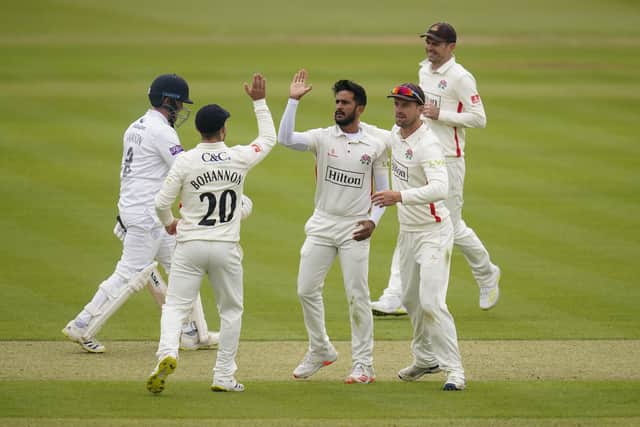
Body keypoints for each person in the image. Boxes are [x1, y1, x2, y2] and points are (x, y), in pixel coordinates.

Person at [62, 73, 226, 353]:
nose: (183, 110)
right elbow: (184, 167)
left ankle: (191, 332)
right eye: (180, 104)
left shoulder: (136, 126)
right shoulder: (162, 131)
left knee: (180, 266)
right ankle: (82, 324)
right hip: (147, 216)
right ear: (167, 101)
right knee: (129, 273)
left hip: (137, 209)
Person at [146, 73, 276, 394]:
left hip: (189, 245)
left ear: (198, 130)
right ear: (223, 129)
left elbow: (161, 202)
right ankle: (222, 376)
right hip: (225, 248)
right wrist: (259, 101)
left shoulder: (185, 161)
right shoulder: (239, 157)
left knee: (176, 306)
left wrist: (168, 223)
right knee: (230, 312)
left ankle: (167, 354)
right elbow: (269, 139)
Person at [371, 22, 500, 315]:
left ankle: (486, 272)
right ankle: (396, 296)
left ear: (451, 47)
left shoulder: (460, 77)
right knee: (408, 223)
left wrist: (441, 114)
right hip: (416, 154)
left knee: (450, 228)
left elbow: (479, 118)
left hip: (447, 160)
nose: (430, 48)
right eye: (428, 42)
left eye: (436, 43)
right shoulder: (423, 71)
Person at [278, 69, 390, 384]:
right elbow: (285, 139)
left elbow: (382, 190)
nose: (339, 106)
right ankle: (321, 349)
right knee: (305, 289)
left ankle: (364, 365)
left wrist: (373, 221)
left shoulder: (377, 142)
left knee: (358, 295)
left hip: (355, 227)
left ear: (360, 108)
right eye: (337, 101)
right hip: (323, 222)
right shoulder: (324, 137)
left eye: (345, 102)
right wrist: (292, 101)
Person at [372, 83, 466, 391]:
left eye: (405, 105)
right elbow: (378, 140)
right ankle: (426, 358)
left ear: (419, 108)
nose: (399, 110)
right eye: (396, 104)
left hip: (434, 232)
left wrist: (399, 195)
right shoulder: (396, 134)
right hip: (408, 232)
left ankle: (455, 371)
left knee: (431, 302)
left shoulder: (428, 143)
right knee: (410, 300)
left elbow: (442, 188)